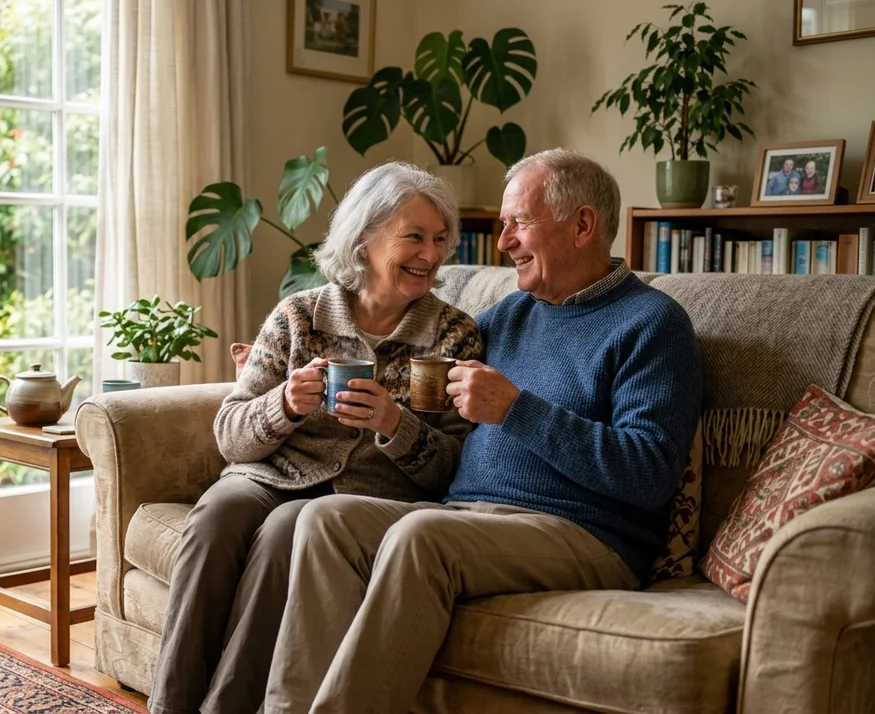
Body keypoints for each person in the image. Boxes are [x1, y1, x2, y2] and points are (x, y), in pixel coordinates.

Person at [263, 149, 704, 714]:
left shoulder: (653, 324)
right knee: (327, 519)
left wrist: (518, 409)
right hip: (469, 515)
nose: (502, 243)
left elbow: (648, 474)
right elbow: (414, 366)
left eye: (518, 223)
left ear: (583, 225)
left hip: (585, 533)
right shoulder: (507, 315)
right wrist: (293, 375)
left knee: (420, 537)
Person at [149, 160, 484, 714]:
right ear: (364, 240)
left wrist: (393, 425)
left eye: (440, 239)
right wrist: (283, 405)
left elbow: (455, 468)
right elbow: (230, 435)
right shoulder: (298, 317)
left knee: (287, 529)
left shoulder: (453, 335)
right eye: (414, 237)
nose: (430, 254)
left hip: (366, 496)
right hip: (269, 474)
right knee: (215, 517)